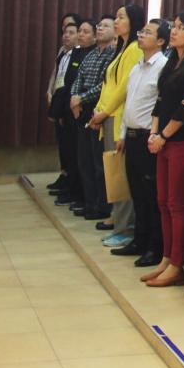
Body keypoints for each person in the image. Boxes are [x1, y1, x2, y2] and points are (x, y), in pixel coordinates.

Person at [143, 11, 184, 288]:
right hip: (164, 139)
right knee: (162, 202)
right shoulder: (172, 61)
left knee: (177, 204)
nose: (174, 31)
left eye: (181, 28)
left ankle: (177, 264)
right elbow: (161, 101)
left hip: (183, 141)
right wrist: (153, 133)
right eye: (174, 26)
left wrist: (163, 136)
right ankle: (166, 258)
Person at [113, 19, 169, 267]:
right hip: (132, 137)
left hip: (149, 138)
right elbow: (129, 103)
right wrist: (122, 134)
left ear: (161, 41)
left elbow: (161, 105)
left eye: (148, 32)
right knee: (136, 192)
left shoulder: (163, 67)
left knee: (150, 195)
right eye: (142, 31)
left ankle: (154, 248)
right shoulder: (136, 68)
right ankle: (139, 240)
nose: (141, 35)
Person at [90, 3, 146, 244]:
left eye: (121, 17)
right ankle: (119, 222)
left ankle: (126, 228)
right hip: (109, 115)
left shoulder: (134, 49)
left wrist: (105, 112)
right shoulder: (121, 48)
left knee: (120, 177)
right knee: (113, 173)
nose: (116, 21)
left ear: (133, 21)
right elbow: (108, 84)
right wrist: (99, 109)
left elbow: (124, 88)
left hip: (119, 117)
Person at [70, 15, 116, 221]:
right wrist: (75, 98)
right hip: (82, 107)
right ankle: (89, 202)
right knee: (85, 160)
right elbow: (78, 78)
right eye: (99, 26)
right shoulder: (89, 55)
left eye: (106, 26)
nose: (100, 29)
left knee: (99, 162)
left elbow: (104, 85)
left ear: (115, 32)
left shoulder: (113, 55)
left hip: (99, 108)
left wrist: (81, 98)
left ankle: (102, 206)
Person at [58, 19, 95, 211]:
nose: (81, 34)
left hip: (87, 110)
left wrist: (80, 99)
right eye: (79, 31)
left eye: (85, 31)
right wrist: (73, 98)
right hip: (71, 107)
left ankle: (84, 196)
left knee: (86, 160)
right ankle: (72, 190)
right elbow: (72, 80)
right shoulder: (77, 53)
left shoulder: (96, 54)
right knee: (72, 154)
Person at [47, 12, 81, 195]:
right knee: (62, 143)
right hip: (59, 101)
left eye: (71, 31)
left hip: (71, 104)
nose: (66, 35)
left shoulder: (79, 54)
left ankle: (71, 182)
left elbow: (71, 82)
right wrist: (50, 92)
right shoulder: (62, 52)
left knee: (71, 147)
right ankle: (64, 175)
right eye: (64, 30)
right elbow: (56, 75)